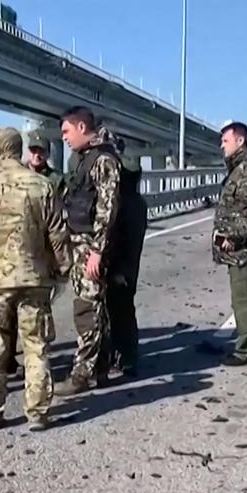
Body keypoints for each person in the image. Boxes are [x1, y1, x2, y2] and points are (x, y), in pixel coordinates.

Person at [0, 128, 70, 432]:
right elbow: (58, 235)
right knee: (36, 347)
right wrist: (62, 272)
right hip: (34, 280)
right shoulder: (42, 186)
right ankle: (38, 412)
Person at [54, 106, 124, 396]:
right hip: (82, 243)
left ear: (82, 128)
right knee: (97, 307)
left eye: (67, 132)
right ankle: (102, 367)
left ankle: (82, 374)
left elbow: (108, 210)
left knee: (87, 309)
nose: (64, 139)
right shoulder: (85, 160)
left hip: (90, 247)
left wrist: (97, 251)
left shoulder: (103, 160)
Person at [212, 121, 247, 366]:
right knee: (244, 296)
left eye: (225, 141)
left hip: (241, 247)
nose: (221, 146)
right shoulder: (238, 169)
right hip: (236, 246)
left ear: (240, 141)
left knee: (243, 297)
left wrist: (233, 237)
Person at [103, 138, 148, 380]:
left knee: (118, 312)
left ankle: (125, 358)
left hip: (120, 268)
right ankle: (124, 357)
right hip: (129, 267)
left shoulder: (124, 205)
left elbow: (121, 242)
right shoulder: (138, 203)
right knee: (123, 311)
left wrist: (117, 269)